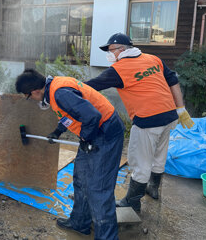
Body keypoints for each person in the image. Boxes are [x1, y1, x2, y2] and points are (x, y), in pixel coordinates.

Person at [85, 33, 195, 212]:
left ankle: (132, 202)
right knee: (159, 155)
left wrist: (65, 87)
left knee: (140, 161)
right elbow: (173, 80)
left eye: (110, 50)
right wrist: (180, 108)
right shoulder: (153, 59)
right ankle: (153, 188)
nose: (109, 54)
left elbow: (90, 85)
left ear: (121, 49)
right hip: (169, 116)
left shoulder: (119, 69)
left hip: (148, 120)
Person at [15, 69, 125, 240]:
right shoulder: (53, 89)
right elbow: (70, 114)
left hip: (105, 132)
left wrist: (86, 139)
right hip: (93, 132)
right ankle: (80, 223)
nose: (31, 100)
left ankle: (107, 237)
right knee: (81, 178)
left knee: (99, 188)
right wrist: (58, 131)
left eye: (28, 96)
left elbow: (93, 116)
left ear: (36, 91)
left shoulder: (60, 93)